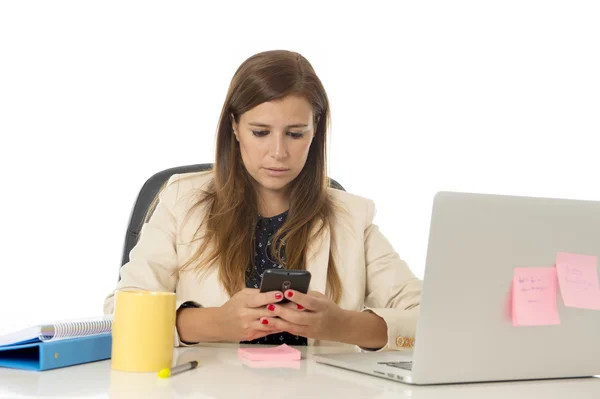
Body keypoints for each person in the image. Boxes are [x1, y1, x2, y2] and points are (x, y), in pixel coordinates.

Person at [103, 49, 422, 351]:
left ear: (315, 131)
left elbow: (429, 317)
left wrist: (342, 325)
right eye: (260, 132)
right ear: (234, 127)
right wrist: (214, 323)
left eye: (295, 134)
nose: (278, 152)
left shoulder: (353, 215)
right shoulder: (179, 200)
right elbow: (121, 310)